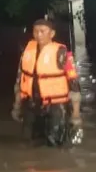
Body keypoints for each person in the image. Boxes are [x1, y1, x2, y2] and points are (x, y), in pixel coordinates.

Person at [12, 18, 82, 146]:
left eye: (42, 31)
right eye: (36, 31)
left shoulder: (61, 53)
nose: (39, 35)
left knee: (55, 142)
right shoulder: (28, 51)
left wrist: (76, 115)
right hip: (32, 103)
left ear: (52, 34)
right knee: (28, 140)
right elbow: (20, 80)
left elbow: (74, 84)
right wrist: (17, 106)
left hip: (56, 105)